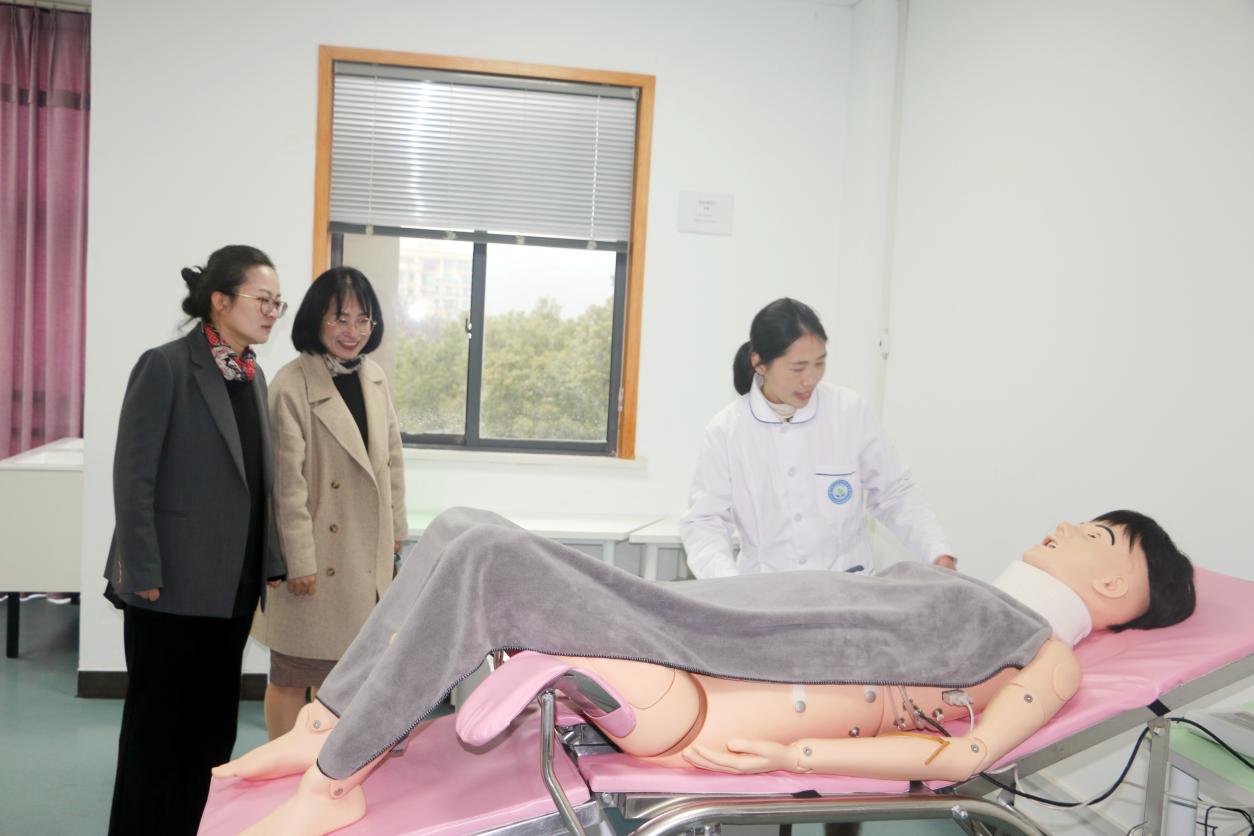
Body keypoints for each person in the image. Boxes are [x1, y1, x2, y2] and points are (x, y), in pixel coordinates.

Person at [213, 507, 1195, 835]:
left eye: (1096, 532)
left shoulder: (1044, 648)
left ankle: (336, 779)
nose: (1066, 526)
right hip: (709, 627)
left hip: (710, 679)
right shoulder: (963, 588)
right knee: (464, 528)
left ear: (1118, 578)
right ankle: (330, 721)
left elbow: (961, 760)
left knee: (488, 560)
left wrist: (792, 755)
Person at [103, 245, 288, 835]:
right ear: (220, 301)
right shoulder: (166, 367)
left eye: (277, 303)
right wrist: (142, 570)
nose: (272, 311)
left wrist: (270, 560)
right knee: (155, 733)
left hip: (231, 588)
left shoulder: (251, 375)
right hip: (169, 587)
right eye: (263, 300)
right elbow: (133, 477)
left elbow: (258, 481)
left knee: (212, 733)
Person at [681, 298, 956, 578]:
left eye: (819, 363)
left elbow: (894, 493)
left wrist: (937, 551)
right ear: (759, 363)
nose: (810, 379)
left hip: (848, 586)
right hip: (766, 589)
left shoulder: (848, 411)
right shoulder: (727, 430)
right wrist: (730, 584)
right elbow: (705, 523)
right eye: (798, 368)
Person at [251, 266, 407, 740]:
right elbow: (286, 486)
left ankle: (325, 766)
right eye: (340, 319)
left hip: (364, 554)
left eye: (363, 320)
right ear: (316, 319)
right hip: (314, 558)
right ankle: (281, 763)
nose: (352, 332)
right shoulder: (291, 385)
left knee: (344, 676)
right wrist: (299, 561)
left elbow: (392, 462)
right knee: (291, 674)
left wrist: (395, 535)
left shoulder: (374, 378)